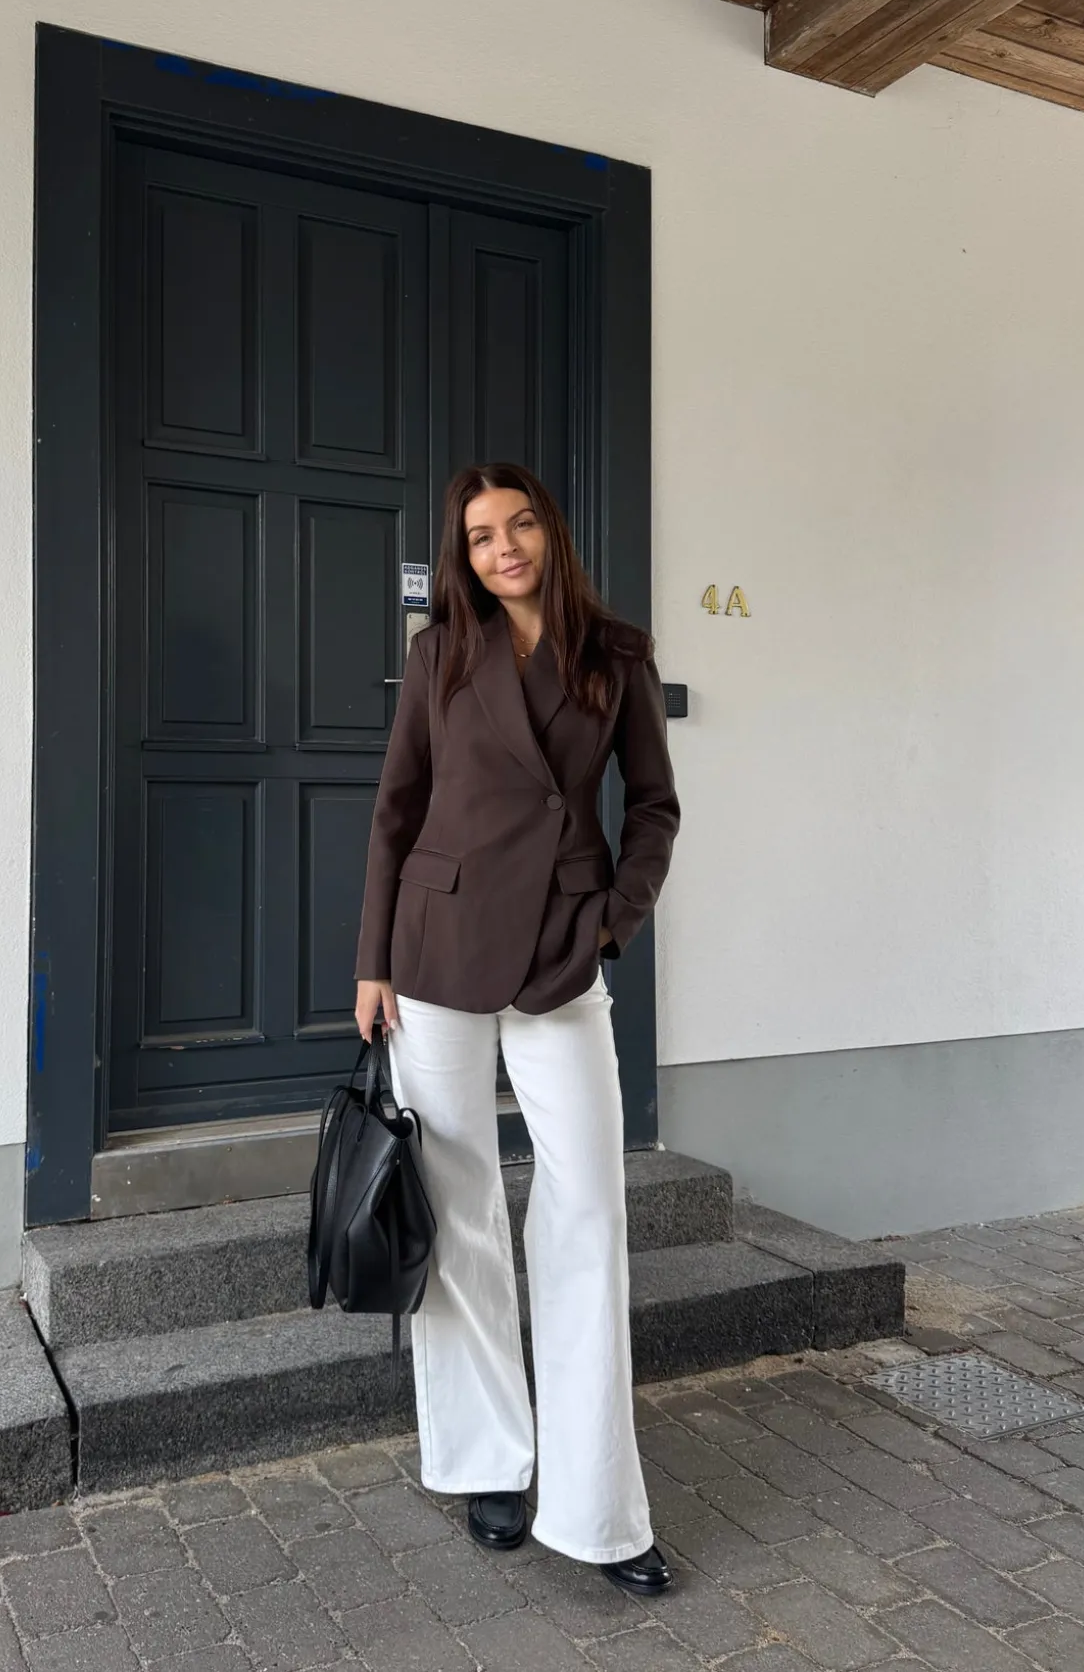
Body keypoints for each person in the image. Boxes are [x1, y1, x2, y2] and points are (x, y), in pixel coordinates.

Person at [353, 461, 681, 1593]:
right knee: (459, 1206)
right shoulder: (440, 653)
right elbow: (395, 809)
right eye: (482, 534)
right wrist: (371, 961)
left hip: (559, 951)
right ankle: (489, 1459)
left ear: (550, 531)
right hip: (436, 952)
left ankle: (599, 1511)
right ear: (464, 553)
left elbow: (653, 807)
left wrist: (611, 921)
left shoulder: (617, 654)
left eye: (520, 524)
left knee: (587, 1208)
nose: (503, 548)